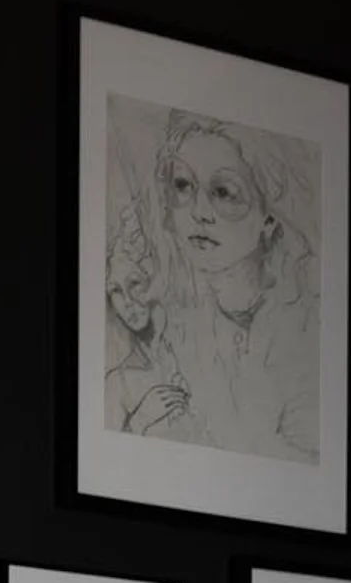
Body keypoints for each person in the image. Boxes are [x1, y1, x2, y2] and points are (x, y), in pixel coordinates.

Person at [103, 112, 318, 465]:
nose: (199, 212)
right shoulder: (169, 325)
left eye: (224, 192)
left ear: (269, 217)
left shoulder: (305, 329)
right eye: (183, 186)